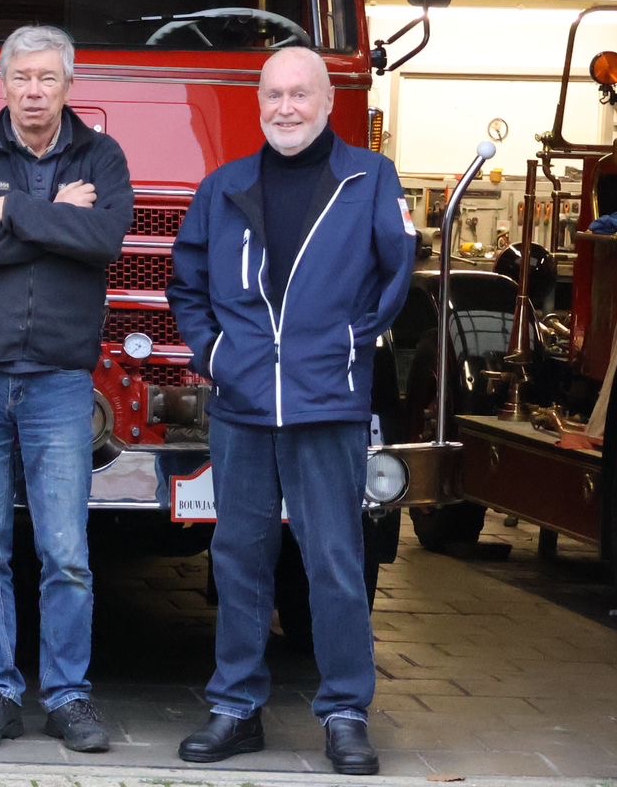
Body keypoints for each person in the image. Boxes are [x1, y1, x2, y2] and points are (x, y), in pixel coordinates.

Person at [167, 47, 413, 776]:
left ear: (328, 101)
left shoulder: (369, 180)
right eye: (272, 94)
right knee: (238, 559)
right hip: (241, 408)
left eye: (299, 94)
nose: (284, 107)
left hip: (326, 406)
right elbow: (189, 284)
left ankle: (344, 712)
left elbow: (396, 271)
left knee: (335, 561)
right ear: (260, 102)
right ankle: (236, 708)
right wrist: (213, 356)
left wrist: (347, 345)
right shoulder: (224, 187)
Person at [0, 24, 131, 753]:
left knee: (66, 551)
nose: (35, 91)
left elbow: (103, 241)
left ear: (69, 85)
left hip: (57, 378)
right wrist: (54, 216)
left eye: (48, 78)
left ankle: (69, 696)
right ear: (5, 83)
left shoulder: (100, 156)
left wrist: (8, 209)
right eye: (23, 78)